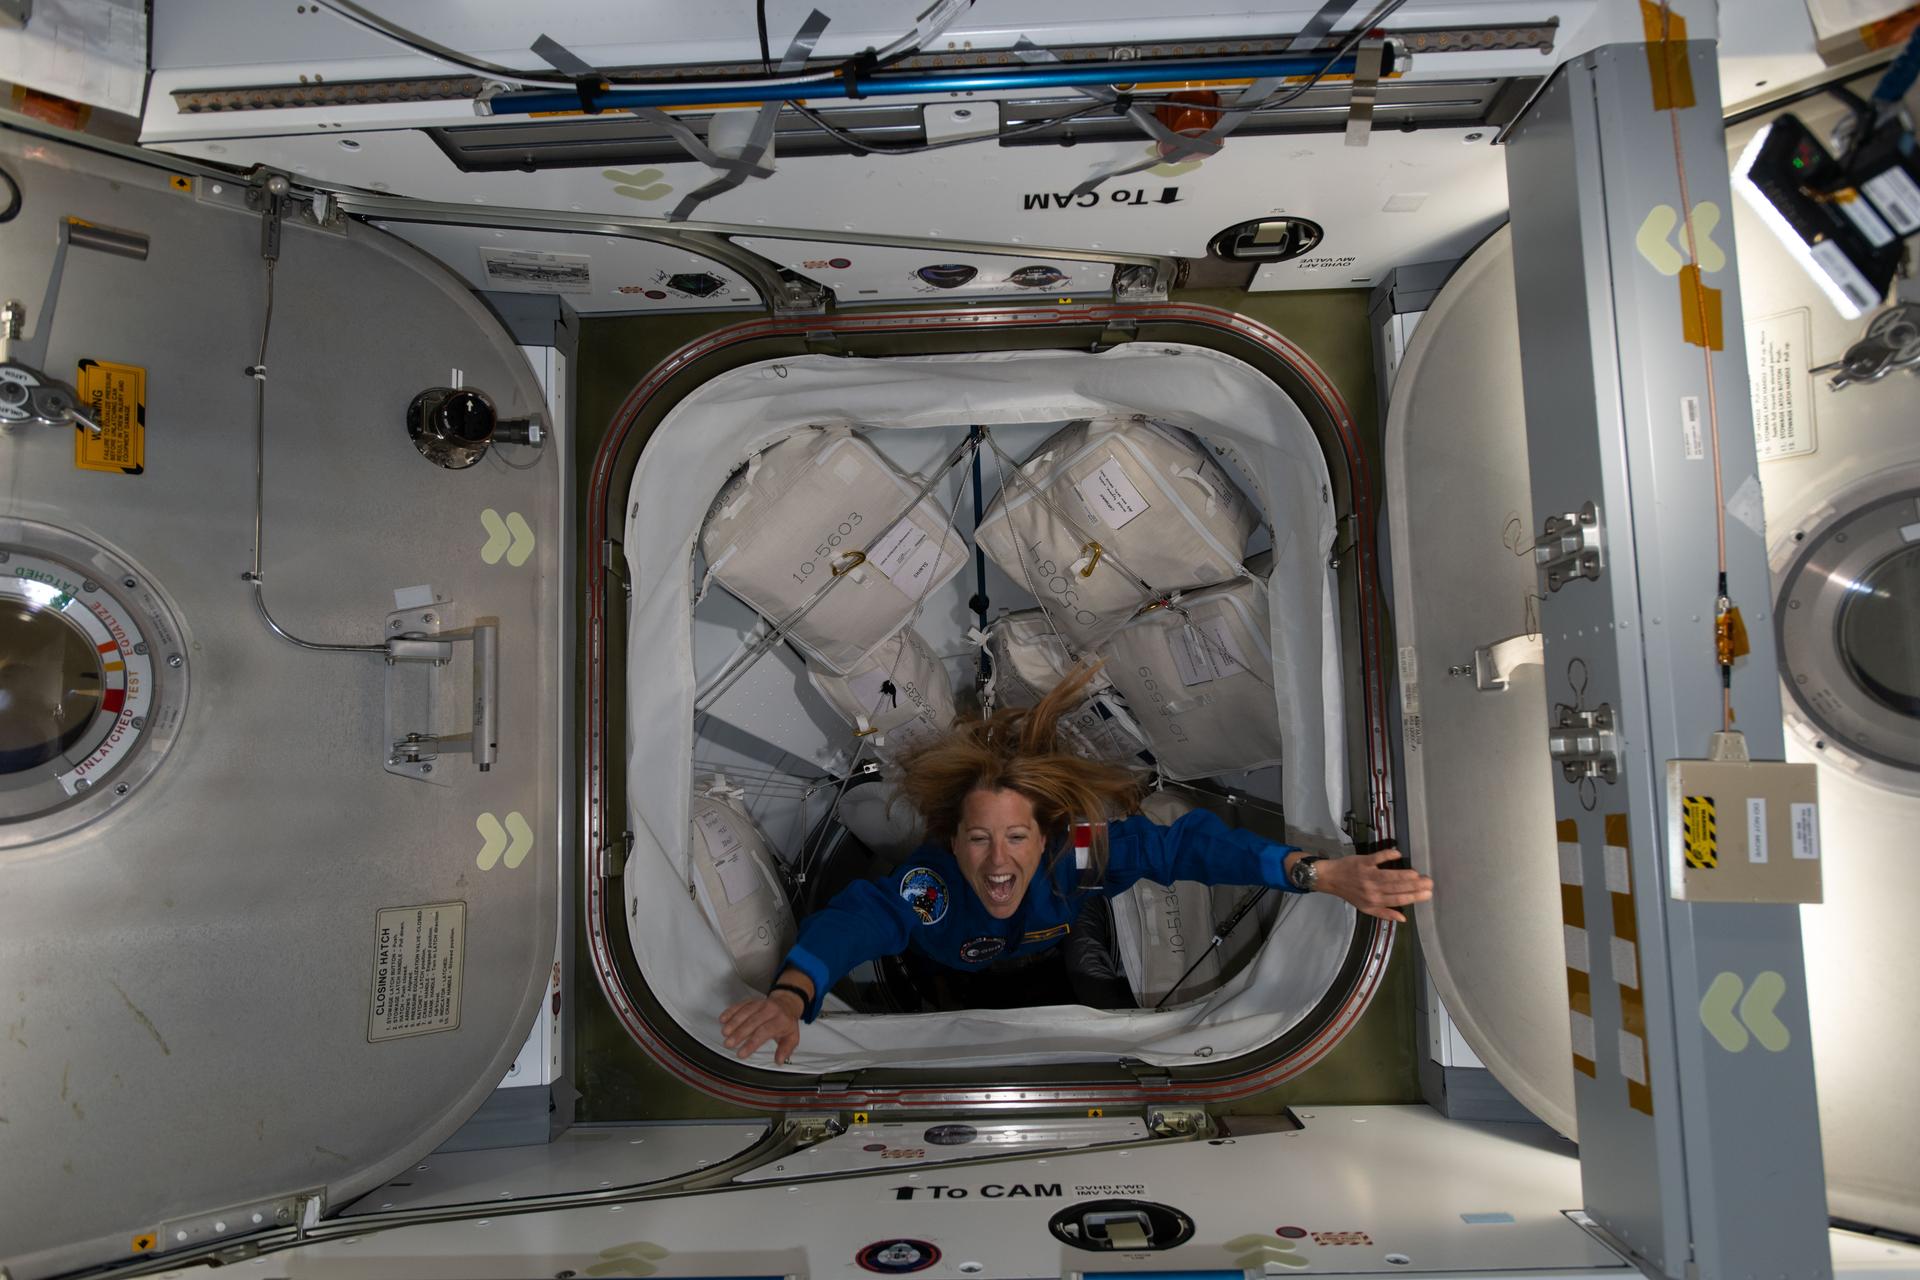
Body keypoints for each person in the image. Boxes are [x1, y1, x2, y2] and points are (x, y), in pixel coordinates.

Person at [721, 666, 1433, 1064]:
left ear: (1046, 837)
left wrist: (1317, 873)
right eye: (979, 839)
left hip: (1054, 942)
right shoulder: (931, 887)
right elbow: (853, 922)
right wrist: (790, 998)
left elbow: (1180, 847)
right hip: (955, 972)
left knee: (1093, 993)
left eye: (1016, 837)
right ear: (954, 841)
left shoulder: (1079, 856)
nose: (997, 860)